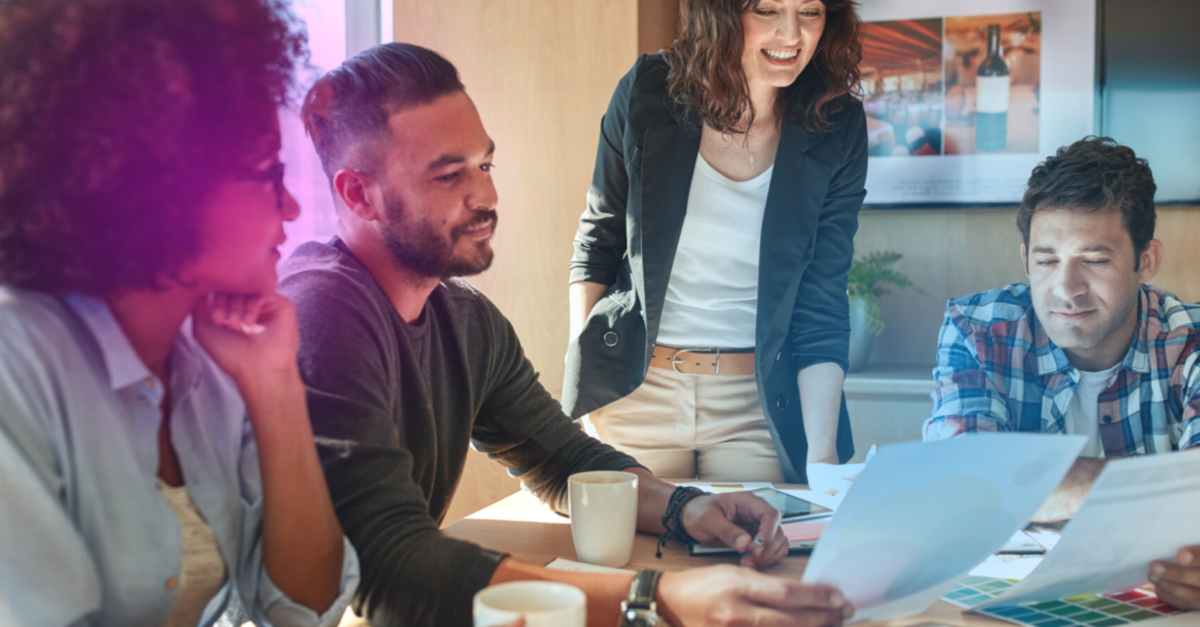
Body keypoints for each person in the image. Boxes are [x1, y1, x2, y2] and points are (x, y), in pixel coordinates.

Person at [283, 42, 853, 627]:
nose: (487, 198)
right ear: (357, 194)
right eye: (450, 175)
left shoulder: (465, 320)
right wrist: (657, 600)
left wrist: (689, 507)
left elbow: (563, 458)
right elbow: (389, 570)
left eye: (485, 165)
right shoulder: (321, 312)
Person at [0, 0, 360, 625]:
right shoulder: (16, 363)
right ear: (157, 185)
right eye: (265, 174)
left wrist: (274, 387)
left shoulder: (214, 362)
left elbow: (303, 611)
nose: (293, 209)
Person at [563, 0, 867, 491]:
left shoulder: (838, 123)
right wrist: (584, 379)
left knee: (755, 554)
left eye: (810, 11)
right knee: (630, 558)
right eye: (767, 9)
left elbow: (822, 295)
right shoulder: (649, 90)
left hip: (756, 403)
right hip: (637, 392)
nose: (792, 34)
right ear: (721, 12)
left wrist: (823, 458)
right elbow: (598, 239)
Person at [924, 137, 1200, 609]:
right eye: (1047, 260)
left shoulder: (1189, 342)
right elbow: (961, 483)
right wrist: (1168, 489)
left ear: (1145, 261)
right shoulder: (979, 329)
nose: (1066, 289)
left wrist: (1027, 482)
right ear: (1025, 258)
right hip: (1004, 605)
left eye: (1094, 260)